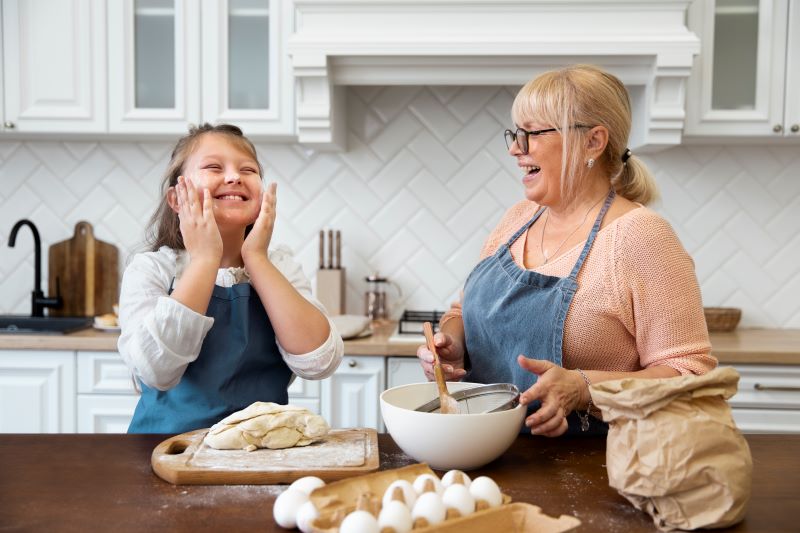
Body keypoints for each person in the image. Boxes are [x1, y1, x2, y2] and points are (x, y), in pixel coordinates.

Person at [417, 65, 717, 437]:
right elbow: (461, 311)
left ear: (593, 141)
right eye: (515, 133)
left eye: (532, 133)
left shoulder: (641, 237)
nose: (515, 148)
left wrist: (583, 388)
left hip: (594, 469)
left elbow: (690, 374)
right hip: (485, 453)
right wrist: (454, 346)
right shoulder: (518, 219)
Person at [118, 123, 343, 433]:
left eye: (248, 169)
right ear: (175, 198)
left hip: (259, 453)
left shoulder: (279, 267)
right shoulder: (152, 270)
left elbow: (319, 362)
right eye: (213, 167)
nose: (235, 177)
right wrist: (205, 259)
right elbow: (156, 369)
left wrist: (258, 259)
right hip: (165, 452)